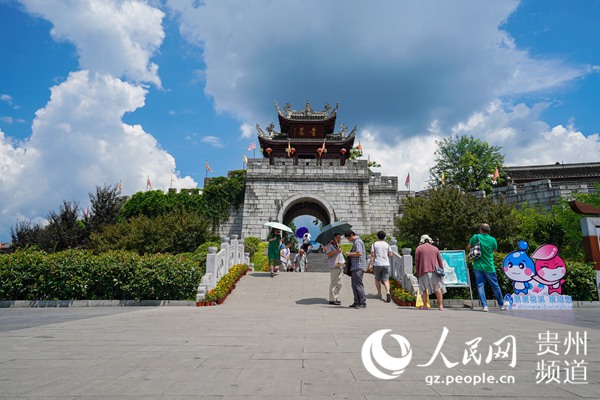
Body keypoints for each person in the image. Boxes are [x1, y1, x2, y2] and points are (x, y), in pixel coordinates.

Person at [468, 223, 507, 312]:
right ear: (489, 231)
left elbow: (469, 247)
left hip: (477, 265)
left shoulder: (476, 237)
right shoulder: (492, 239)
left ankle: (485, 306)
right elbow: (494, 249)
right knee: (495, 286)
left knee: (480, 286)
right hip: (489, 266)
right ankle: (501, 305)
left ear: (480, 230)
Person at [414, 234, 446, 311]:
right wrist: (442, 271)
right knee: (437, 288)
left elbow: (417, 262)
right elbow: (440, 261)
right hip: (434, 271)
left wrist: (417, 272)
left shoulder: (419, 249)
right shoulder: (435, 248)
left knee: (423, 289)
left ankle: (425, 305)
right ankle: (440, 306)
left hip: (423, 271)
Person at [344, 230, 367, 309]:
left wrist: (349, 253)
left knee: (358, 285)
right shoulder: (355, 242)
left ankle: (362, 302)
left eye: (348, 238)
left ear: (351, 235)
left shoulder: (358, 242)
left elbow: (359, 253)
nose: (348, 240)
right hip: (355, 266)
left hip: (358, 266)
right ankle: (356, 301)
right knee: (354, 285)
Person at [369, 231, 392, 303]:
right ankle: (388, 292)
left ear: (377, 237)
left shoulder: (374, 244)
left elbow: (372, 255)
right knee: (386, 280)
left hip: (377, 264)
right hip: (386, 264)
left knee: (377, 279)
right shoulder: (387, 245)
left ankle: (379, 293)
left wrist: (370, 264)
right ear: (384, 237)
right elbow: (390, 254)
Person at [325, 233, 345, 305]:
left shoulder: (336, 245)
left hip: (339, 266)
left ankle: (335, 297)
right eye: (338, 238)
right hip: (334, 266)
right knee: (333, 283)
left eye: (340, 238)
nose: (339, 239)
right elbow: (328, 254)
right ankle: (331, 299)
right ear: (334, 238)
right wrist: (337, 251)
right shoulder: (330, 246)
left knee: (339, 284)